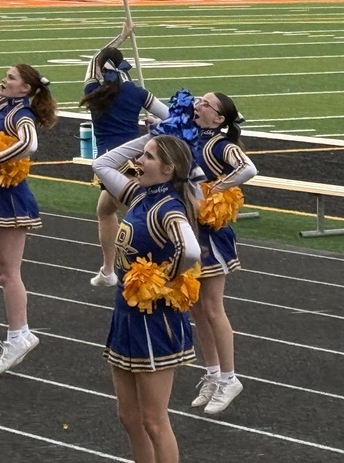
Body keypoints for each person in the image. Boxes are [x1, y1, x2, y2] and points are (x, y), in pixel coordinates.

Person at [93, 134, 200, 463]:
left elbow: (191, 250)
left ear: (168, 169)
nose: (139, 160)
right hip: (125, 313)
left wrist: (164, 280)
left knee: (154, 420)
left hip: (154, 321)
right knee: (129, 417)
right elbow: (102, 164)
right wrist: (151, 135)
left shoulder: (168, 207)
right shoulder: (139, 194)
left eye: (149, 157)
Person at [0, 47, 57, 374]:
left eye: (11, 77)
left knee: (9, 272)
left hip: (10, 196)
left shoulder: (20, 114)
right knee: (2, 271)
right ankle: (18, 332)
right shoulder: (5, 104)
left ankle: (19, 334)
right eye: (6, 76)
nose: (4, 81)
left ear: (26, 89)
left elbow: (30, 144)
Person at [80, 22, 169, 287]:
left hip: (111, 162)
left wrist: (120, 37)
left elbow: (97, 58)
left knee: (138, 217)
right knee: (106, 211)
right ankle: (108, 271)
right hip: (135, 158)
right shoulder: (137, 92)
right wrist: (153, 125)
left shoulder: (91, 91)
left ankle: (154, 269)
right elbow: (170, 118)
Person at [188, 92, 257, 415]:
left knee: (213, 307)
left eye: (206, 103)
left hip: (210, 233)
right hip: (189, 229)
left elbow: (248, 168)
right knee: (197, 309)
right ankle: (213, 373)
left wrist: (215, 189)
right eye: (199, 100)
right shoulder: (190, 135)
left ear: (219, 118)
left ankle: (230, 377)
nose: (198, 104)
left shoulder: (220, 144)